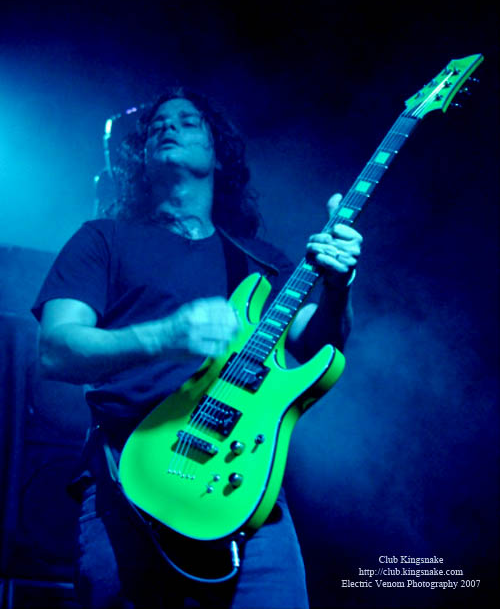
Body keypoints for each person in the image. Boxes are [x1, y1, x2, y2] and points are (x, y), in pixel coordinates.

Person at [32, 87, 363, 608]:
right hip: (132, 482)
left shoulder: (261, 261)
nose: (169, 126)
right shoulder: (103, 239)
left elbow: (319, 346)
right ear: (141, 158)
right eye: (158, 125)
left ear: (218, 154)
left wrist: (340, 286)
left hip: (245, 487)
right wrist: (167, 335)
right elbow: (56, 349)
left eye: (189, 122)